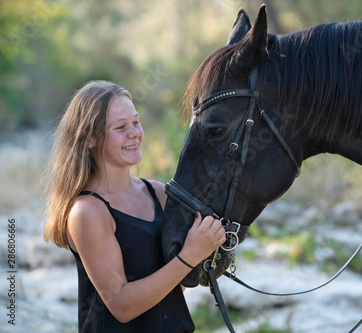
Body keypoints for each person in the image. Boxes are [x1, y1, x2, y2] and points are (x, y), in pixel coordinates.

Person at [43, 80, 226, 332]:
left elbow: (173, 285)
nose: (135, 133)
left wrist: (208, 247)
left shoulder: (159, 193)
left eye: (136, 122)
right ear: (90, 139)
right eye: (120, 127)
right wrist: (189, 256)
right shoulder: (87, 212)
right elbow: (121, 305)